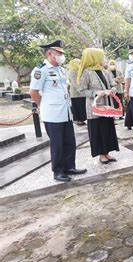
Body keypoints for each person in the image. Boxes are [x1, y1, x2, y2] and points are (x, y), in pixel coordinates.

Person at [29, 40, 87, 182]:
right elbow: (33, 91)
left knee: (69, 141)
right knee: (57, 143)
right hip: (52, 114)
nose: (62, 55)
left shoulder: (60, 69)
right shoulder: (40, 70)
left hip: (65, 112)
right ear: (50, 53)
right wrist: (41, 105)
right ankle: (59, 171)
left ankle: (69, 167)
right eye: (59, 53)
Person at [77, 48, 120, 164]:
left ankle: (107, 153)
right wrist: (95, 93)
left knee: (107, 129)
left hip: (107, 107)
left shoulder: (105, 71)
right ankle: (101, 154)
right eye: (102, 57)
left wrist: (112, 91)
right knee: (98, 130)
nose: (104, 59)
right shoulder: (86, 72)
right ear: (94, 58)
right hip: (95, 108)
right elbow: (81, 90)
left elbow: (113, 84)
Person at [67, 58, 87, 126]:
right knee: (78, 107)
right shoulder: (72, 71)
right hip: (76, 93)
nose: (80, 64)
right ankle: (79, 120)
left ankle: (83, 119)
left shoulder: (81, 71)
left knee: (82, 106)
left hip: (82, 92)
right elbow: (74, 82)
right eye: (78, 63)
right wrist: (80, 90)